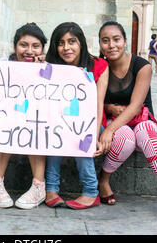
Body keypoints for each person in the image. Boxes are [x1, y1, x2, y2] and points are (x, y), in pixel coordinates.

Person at [98, 21, 157, 219]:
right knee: (125, 139)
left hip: (141, 117)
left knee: (147, 136)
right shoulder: (100, 66)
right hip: (114, 120)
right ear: (99, 44)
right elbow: (95, 97)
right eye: (105, 41)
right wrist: (108, 108)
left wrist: (109, 131)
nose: (111, 45)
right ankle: (104, 180)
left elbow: (135, 106)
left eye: (116, 39)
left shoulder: (141, 66)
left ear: (125, 41)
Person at [44, 22, 109, 210]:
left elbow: (98, 105)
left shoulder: (99, 66)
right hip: (59, 123)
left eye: (72, 41)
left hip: (92, 124)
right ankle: (51, 189)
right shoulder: (51, 66)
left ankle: (90, 191)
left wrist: (95, 135)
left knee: (79, 133)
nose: (66, 48)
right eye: (61, 43)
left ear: (81, 43)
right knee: (56, 130)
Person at [0, 23, 48, 209]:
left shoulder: (48, 67)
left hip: (35, 119)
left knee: (38, 125)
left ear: (42, 48)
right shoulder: (2, 65)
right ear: (14, 46)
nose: (29, 51)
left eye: (35, 46)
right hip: (8, 117)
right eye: (23, 45)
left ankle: (38, 186)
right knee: (2, 122)